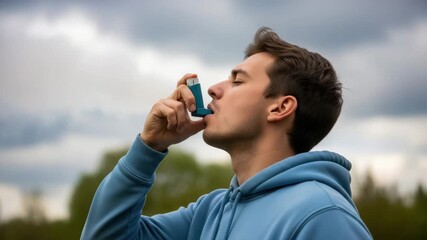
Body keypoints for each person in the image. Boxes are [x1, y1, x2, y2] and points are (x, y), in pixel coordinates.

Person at [81, 27, 372, 240]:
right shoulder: (209, 213)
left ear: (280, 107)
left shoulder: (322, 215)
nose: (213, 89)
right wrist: (148, 148)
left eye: (237, 81)